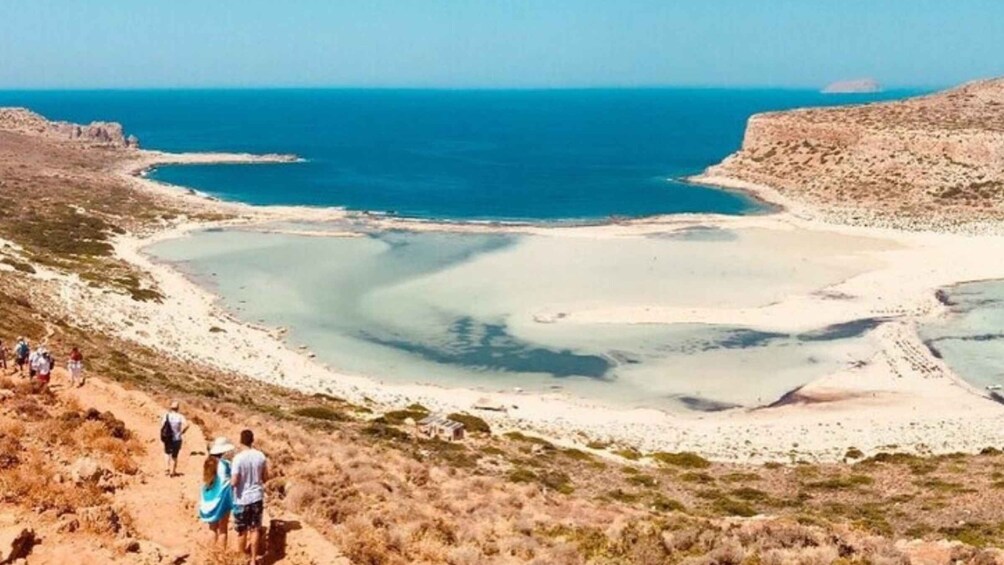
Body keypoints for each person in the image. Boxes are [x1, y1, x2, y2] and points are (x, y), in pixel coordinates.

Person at [231, 429, 268, 563]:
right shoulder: (261, 456)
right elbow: (265, 477)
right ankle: (253, 560)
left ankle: (242, 559)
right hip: (257, 497)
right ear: (252, 440)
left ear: (241, 441)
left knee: (242, 531)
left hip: (241, 499)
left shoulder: (238, 458)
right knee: (255, 529)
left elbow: (234, 481)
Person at [199, 437, 235, 552]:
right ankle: (220, 556)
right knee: (223, 528)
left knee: (212, 528)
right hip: (223, 499)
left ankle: (211, 554)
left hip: (209, 497)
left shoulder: (208, 462)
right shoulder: (225, 464)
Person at [160, 401, 188, 477]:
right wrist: (182, 432)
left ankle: (166, 469)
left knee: (167, 453)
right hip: (177, 438)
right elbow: (187, 425)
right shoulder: (180, 416)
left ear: (170, 408)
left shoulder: (166, 415)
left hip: (168, 438)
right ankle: (173, 471)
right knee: (175, 455)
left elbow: (162, 426)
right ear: (178, 408)